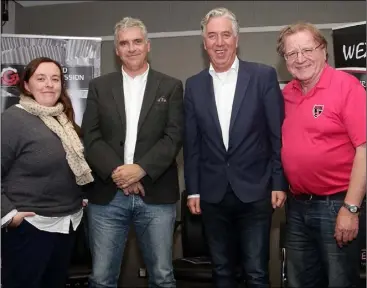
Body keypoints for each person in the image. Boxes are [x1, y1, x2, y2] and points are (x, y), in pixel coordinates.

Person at [183, 7, 288, 288]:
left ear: (236, 39)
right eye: (212, 36)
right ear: (204, 43)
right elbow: (192, 144)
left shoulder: (262, 76)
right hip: (212, 195)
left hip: (256, 192)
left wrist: (279, 182)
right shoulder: (193, 86)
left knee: (256, 273)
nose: (219, 43)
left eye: (226, 35)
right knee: (222, 273)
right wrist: (193, 189)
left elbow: (277, 135)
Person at [81, 17, 183, 288]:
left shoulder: (171, 86)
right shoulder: (99, 87)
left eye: (137, 41)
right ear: (117, 50)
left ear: (148, 45)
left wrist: (140, 170)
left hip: (157, 194)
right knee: (101, 279)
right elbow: (91, 138)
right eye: (124, 43)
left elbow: (173, 137)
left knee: (162, 277)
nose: (131, 48)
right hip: (107, 195)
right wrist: (121, 174)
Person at [277, 22, 366, 288]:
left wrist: (351, 208)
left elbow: (364, 148)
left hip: (336, 206)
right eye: (291, 53)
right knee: (299, 282)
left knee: (340, 282)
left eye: (307, 49)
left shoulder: (347, 87)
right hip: (297, 207)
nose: (300, 58)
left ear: (324, 51)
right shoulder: (286, 94)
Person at [1, 57, 94, 288]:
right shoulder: (14, 119)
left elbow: (71, 165)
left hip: (67, 223)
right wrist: (9, 216)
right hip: (31, 227)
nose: (49, 84)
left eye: (55, 79)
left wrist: (80, 196)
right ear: (26, 85)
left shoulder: (63, 119)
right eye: (40, 79)